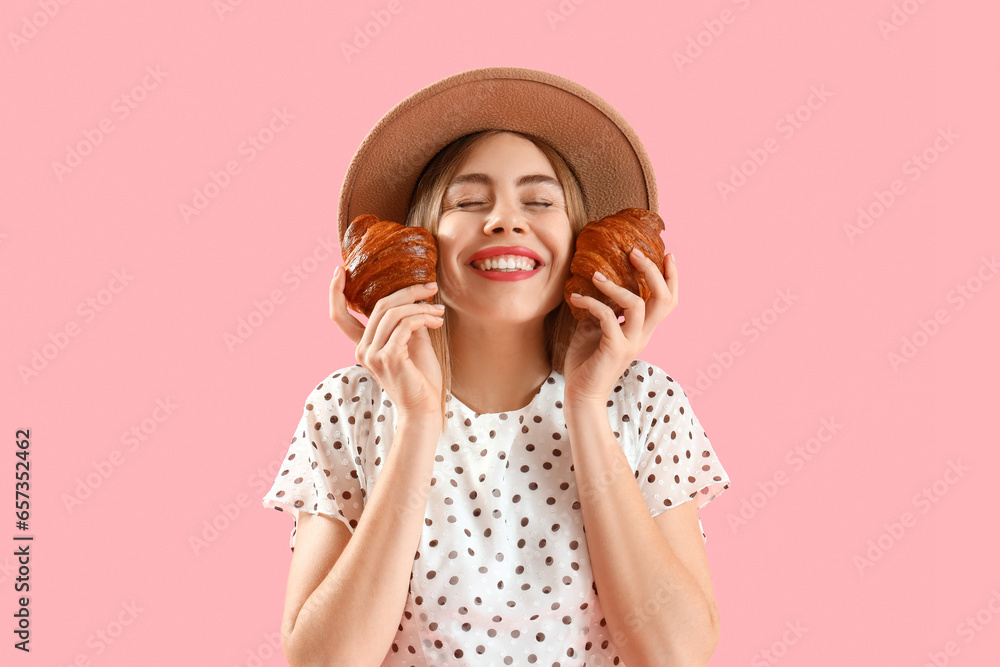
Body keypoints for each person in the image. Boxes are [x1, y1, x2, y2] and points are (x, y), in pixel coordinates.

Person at [262, 67, 731, 667]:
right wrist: (415, 420)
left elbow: (675, 653)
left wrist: (587, 407)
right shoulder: (347, 406)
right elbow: (325, 661)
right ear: (421, 239)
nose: (505, 220)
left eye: (539, 200)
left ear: (579, 240)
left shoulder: (646, 401)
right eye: (468, 201)